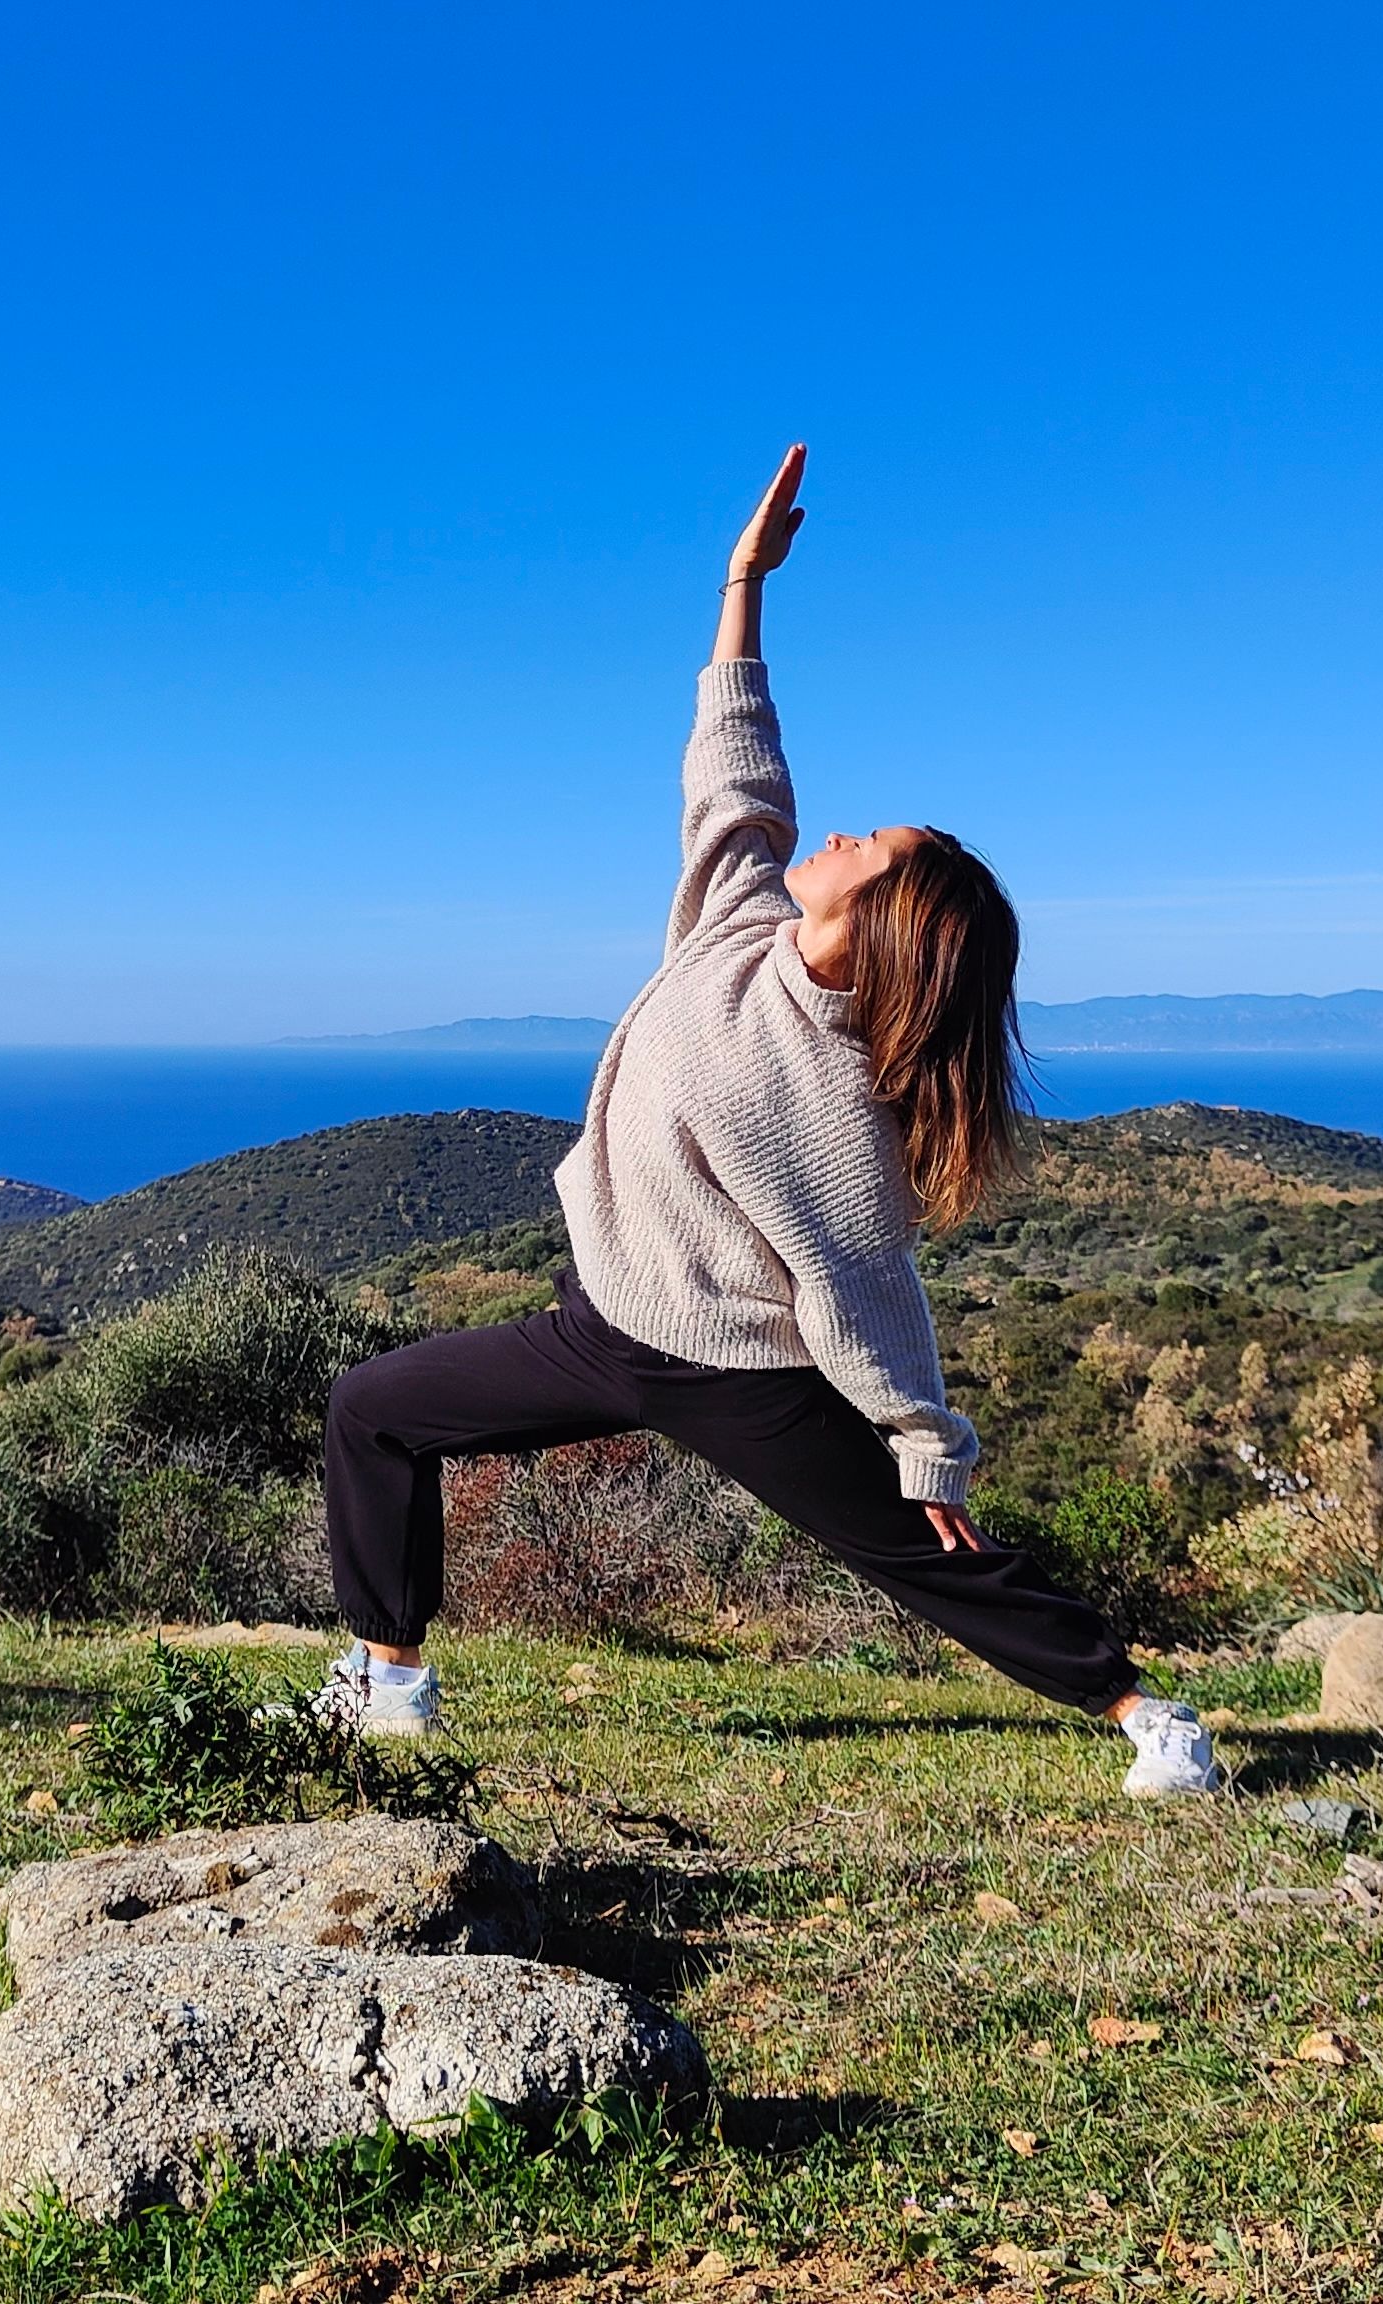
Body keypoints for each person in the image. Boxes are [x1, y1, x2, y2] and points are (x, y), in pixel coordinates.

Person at [311, 444, 1226, 1799]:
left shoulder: (829, 1096)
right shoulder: (740, 921)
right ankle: (388, 1684)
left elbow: (864, 1277)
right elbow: (732, 772)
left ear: (884, 925)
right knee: (374, 1414)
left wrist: (927, 1447)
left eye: (872, 849)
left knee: (918, 1550)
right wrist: (742, 586)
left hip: (735, 1366)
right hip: (598, 1321)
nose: (843, 834)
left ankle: (1154, 1720)